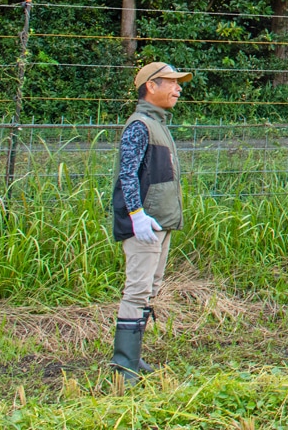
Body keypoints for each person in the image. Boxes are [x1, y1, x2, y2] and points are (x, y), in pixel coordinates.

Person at [109, 61, 191, 383]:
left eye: (178, 83)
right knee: (137, 290)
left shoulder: (158, 124)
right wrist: (136, 216)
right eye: (171, 82)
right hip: (144, 226)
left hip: (160, 224)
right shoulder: (139, 125)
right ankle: (123, 365)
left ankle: (134, 359)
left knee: (150, 289)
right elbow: (126, 174)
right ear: (150, 86)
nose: (178, 88)